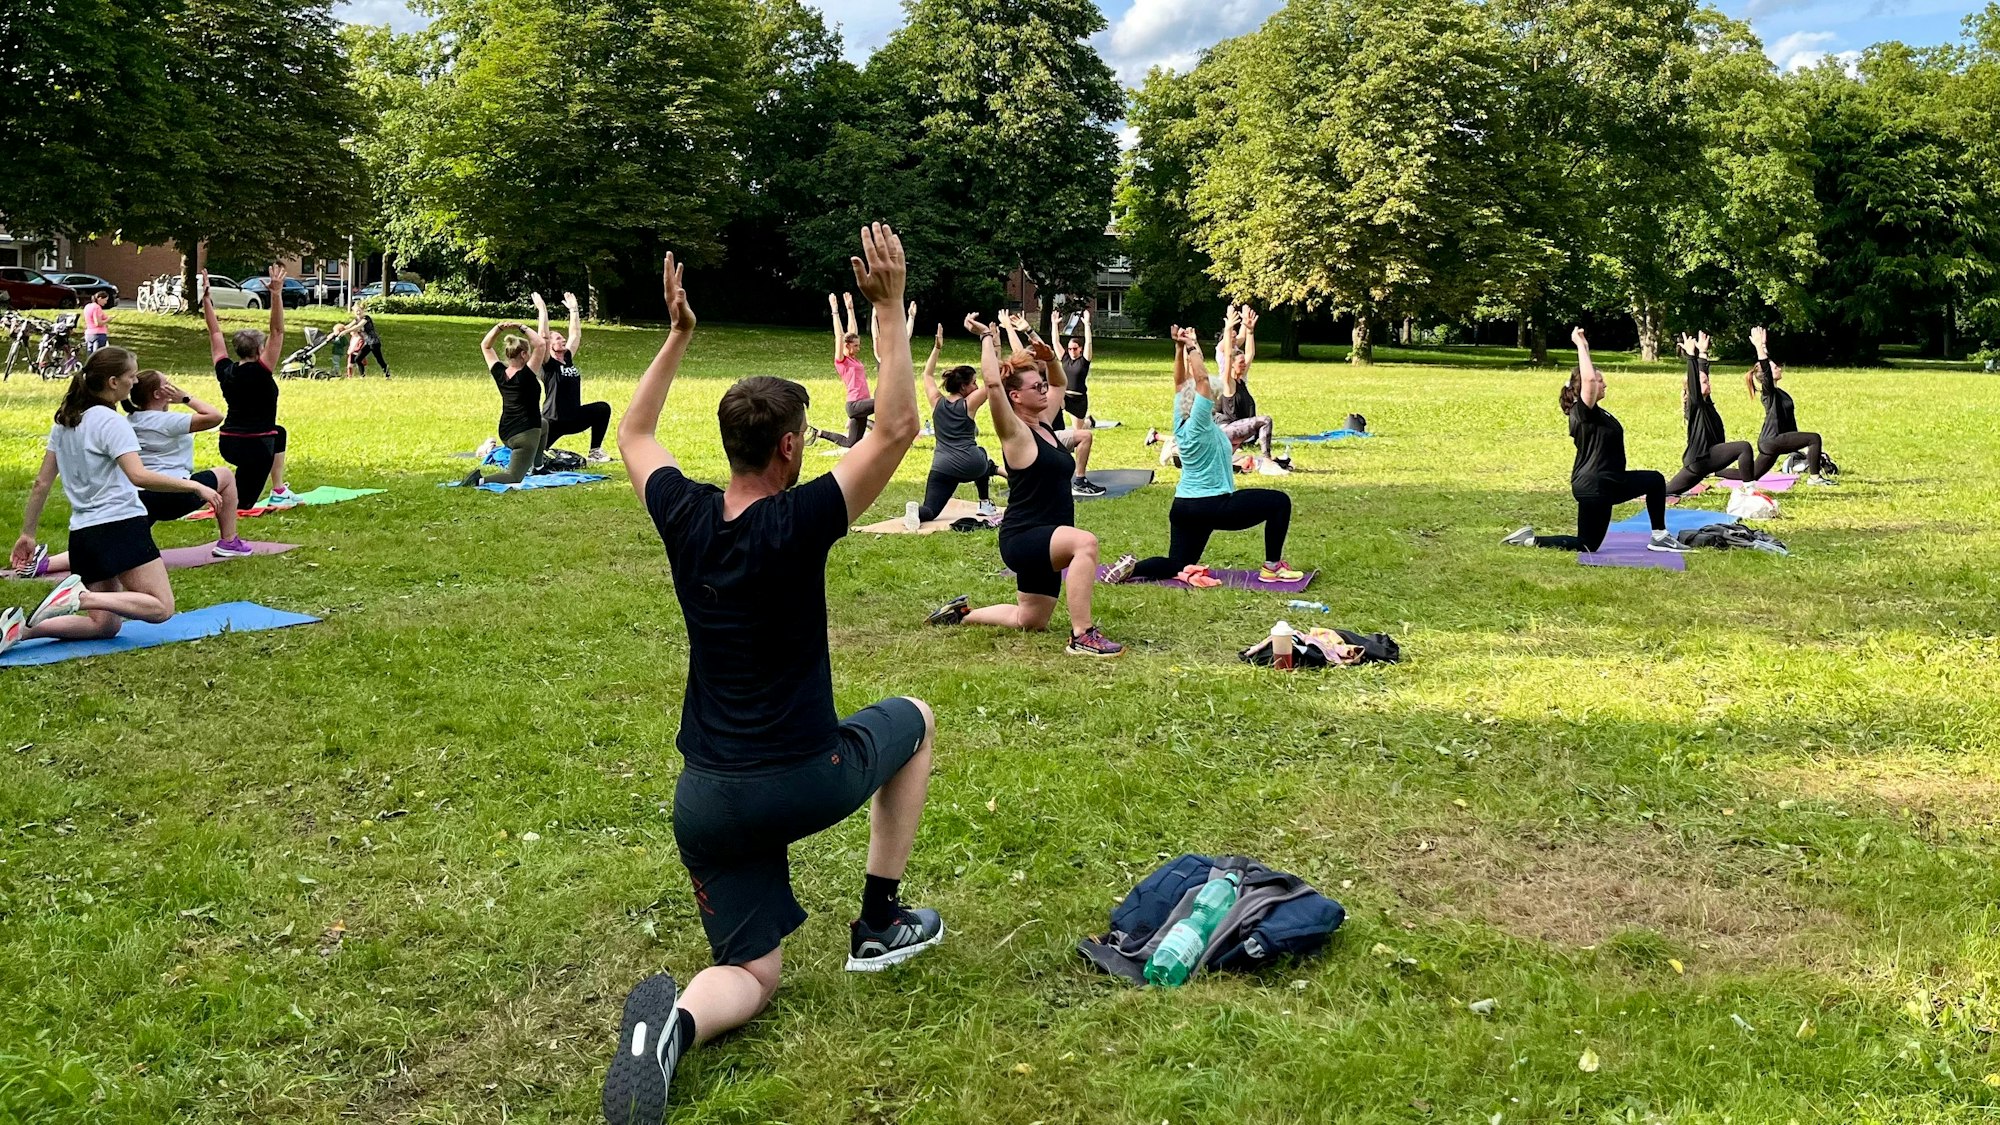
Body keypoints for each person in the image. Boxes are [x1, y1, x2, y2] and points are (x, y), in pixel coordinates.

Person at [599, 229, 943, 1123]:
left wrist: (676, 333)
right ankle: (877, 921)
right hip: (800, 779)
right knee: (913, 716)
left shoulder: (681, 511)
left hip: (706, 797)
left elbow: (632, 432)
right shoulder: (799, 521)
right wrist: (889, 308)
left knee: (753, 974)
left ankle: (671, 1028)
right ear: (791, 447)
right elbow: (901, 427)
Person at [923, 315, 1124, 655]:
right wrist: (988, 336)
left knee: (1030, 620)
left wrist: (1045, 355)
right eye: (1037, 387)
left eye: (1042, 386)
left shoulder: (1045, 424)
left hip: (1049, 538)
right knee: (1085, 544)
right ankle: (1082, 636)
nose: (1045, 390)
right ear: (1016, 396)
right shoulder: (1016, 433)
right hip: (1025, 537)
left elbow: (1060, 383)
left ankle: (962, 615)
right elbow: (993, 382)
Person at [1, 348, 221, 657]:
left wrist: (28, 534)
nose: (134, 382)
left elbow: (41, 484)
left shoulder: (64, 424)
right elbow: (138, 475)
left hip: (83, 536)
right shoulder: (112, 423)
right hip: (120, 527)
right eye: (131, 376)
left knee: (104, 625)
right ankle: (80, 597)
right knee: (160, 607)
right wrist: (195, 486)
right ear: (113, 382)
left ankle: (21, 630)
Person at [1105, 312, 1302, 584]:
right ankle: (1272, 567)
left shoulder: (1180, 417)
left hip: (1184, 507)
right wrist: (1192, 346)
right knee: (1279, 502)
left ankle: (1133, 569)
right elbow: (1200, 382)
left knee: (1178, 563)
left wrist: (1178, 349)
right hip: (1213, 505)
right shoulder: (1199, 420)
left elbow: (1180, 382)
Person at [1501, 328, 1692, 554]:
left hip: (1600, 485)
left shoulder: (1595, 413)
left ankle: (1529, 540)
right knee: (1654, 480)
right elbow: (1589, 379)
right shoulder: (1583, 412)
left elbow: (1589, 381)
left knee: (1587, 544)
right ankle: (1660, 536)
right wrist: (1581, 345)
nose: (1604, 385)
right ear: (1584, 388)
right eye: (1601, 381)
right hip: (1599, 484)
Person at [201, 250, 298, 509]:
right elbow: (277, 331)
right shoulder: (262, 369)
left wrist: (206, 300)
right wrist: (276, 294)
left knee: (280, 432)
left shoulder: (226, 370)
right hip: (256, 446)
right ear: (258, 351)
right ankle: (207, 490)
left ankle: (278, 489)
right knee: (241, 504)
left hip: (229, 442)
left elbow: (215, 333)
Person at [905, 325, 1002, 527]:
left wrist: (937, 348)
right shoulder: (969, 404)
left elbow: (927, 375)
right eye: (974, 383)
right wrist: (994, 345)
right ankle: (985, 503)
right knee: (981, 452)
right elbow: (994, 379)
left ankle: (916, 512)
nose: (976, 386)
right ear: (964, 387)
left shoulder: (936, 402)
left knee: (930, 510)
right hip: (972, 465)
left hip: (943, 467)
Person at [1000, 311, 1105, 496]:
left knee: (1076, 439)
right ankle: (1079, 481)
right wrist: (1008, 330)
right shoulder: (1029, 386)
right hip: (1042, 437)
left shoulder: (1045, 378)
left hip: (1050, 432)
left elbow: (1052, 366)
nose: (1037, 356)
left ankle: (1077, 479)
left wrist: (1029, 332)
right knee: (1084, 436)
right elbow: (1020, 355)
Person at [1718, 326, 1834, 487]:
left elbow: (1766, 366)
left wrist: (1764, 347)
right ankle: (1815, 478)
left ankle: (1713, 471)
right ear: (1767, 376)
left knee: (1752, 475)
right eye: (1775, 368)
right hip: (1773, 440)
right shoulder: (1769, 393)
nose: (1779, 368)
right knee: (1814, 438)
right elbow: (1765, 369)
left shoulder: (1778, 391)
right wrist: (1759, 348)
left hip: (1773, 441)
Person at [460, 316, 549, 487]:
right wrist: (520, 326)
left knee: (544, 424)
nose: (531, 354)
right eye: (528, 352)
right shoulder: (527, 375)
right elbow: (541, 344)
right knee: (514, 476)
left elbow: (485, 345)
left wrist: (499, 328)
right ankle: (478, 480)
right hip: (525, 435)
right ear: (523, 354)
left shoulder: (499, 372)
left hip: (506, 431)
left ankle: (538, 466)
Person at [1663, 331, 1755, 498]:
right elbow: (1695, 381)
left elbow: (1701, 374)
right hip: (1701, 459)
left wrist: (1703, 353)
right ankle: (1750, 491)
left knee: (1666, 491)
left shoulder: (1706, 401)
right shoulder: (1695, 403)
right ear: (1694, 388)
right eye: (1705, 382)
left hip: (1702, 461)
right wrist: (1691, 356)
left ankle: (1650, 487)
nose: (1709, 383)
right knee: (1743, 447)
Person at [535, 291, 612, 464]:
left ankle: (595, 451)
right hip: (552, 421)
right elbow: (543, 337)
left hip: (574, 417)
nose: (563, 340)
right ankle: (489, 448)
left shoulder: (567, 359)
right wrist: (542, 310)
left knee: (602, 408)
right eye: (558, 338)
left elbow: (575, 335)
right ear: (550, 345)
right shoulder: (547, 364)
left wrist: (574, 310)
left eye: (562, 337)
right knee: (532, 454)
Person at [1213, 304, 1278, 464]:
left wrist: (1249, 331)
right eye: (1240, 363)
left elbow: (1250, 353)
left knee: (1262, 422)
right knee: (1265, 420)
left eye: (1244, 363)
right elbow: (1227, 355)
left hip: (1242, 432)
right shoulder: (1228, 382)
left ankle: (1257, 452)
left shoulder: (1241, 379)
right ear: (1232, 364)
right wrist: (1228, 328)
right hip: (1227, 430)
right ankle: (1266, 459)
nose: (1244, 365)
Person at [1055, 303, 1093, 429]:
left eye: (1074, 349)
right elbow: (1055, 342)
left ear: (1080, 349)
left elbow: (1088, 341)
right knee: (1054, 401)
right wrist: (1055, 325)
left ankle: (1089, 422)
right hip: (1065, 396)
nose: (1071, 351)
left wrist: (1087, 324)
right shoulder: (1065, 358)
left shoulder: (1084, 361)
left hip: (1079, 399)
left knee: (1079, 429)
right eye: (1069, 348)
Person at [339, 299, 392, 379]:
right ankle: (362, 376)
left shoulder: (366, 318)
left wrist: (346, 332)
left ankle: (387, 374)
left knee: (379, 359)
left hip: (374, 342)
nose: (358, 313)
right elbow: (347, 326)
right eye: (356, 311)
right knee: (358, 359)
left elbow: (358, 327)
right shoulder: (356, 320)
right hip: (367, 343)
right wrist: (338, 330)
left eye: (359, 311)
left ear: (363, 310)